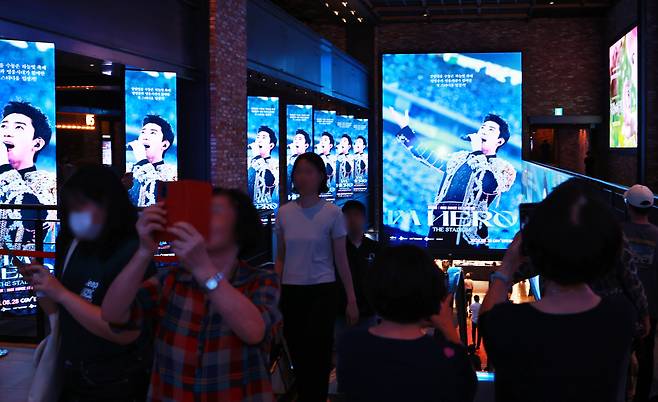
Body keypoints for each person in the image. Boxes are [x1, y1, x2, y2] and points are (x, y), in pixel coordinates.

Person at [102, 187, 281, 401]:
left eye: (213, 211)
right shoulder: (171, 280)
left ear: (239, 227)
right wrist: (144, 251)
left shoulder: (260, 280)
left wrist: (203, 269)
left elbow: (254, 332)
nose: (201, 220)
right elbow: (112, 313)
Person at [480, 179, 636, 402]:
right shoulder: (621, 316)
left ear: (535, 246)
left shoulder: (507, 323)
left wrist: (508, 263)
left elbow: (488, 316)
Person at [22, 165, 151, 402]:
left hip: (115, 380)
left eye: (82, 204)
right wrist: (44, 288)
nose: (74, 213)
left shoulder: (133, 251)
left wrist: (59, 292)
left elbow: (122, 332)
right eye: (71, 206)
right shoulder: (72, 241)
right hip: (71, 373)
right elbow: (59, 312)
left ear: (107, 203)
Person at [336, 245, 477, 402]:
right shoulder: (444, 355)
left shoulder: (350, 344)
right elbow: (467, 388)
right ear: (431, 295)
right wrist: (448, 327)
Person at [275, 152, 359, 402]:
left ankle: (316, 397)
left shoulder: (332, 213)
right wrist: (274, 295)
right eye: (299, 171)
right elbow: (280, 257)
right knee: (297, 352)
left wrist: (351, 299)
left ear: (321, 176)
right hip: (291, 291)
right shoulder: (284, 212)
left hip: (322, 290)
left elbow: (341, 259)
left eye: (309, 171)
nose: (303, 176)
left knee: (319, 353)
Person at [390, 107, 516, 251]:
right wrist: (405, 128)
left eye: (491, 129)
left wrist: (477, 152)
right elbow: (426, 155)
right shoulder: (459, 158)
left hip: (469, 233)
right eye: (483, 127)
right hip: (441, 226)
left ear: (499, 141)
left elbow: (489, 185)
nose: (484, 131)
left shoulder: (503, 168)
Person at [0, 101, 57, 249]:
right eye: (3, 126)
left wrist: (4, 167)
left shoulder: (49, 183)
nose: (6, 132)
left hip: (22, 269)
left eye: (18, 127)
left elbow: (34, 221)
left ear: (37, 144)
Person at [622, 185, 658, 402]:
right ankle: (642, 397)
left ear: (628, 205)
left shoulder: (618, 233)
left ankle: (623, 392)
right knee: (647, 356)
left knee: (622, 352)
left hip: (622, 304)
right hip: (651, 306)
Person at [336, 200, 379, 337]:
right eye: (348, 216)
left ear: (364, 219)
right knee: (341, 354)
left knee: (367, 355)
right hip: (340, 313)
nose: (352, 220)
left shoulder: (376, 248)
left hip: (369, 312)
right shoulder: (336, 248)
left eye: (356, 215)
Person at [128, 115, 178, 207]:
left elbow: (157, 196)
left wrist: (142, 161)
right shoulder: (128, 169)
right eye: (142, 132)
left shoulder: (173, 173)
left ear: (164, 145)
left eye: (152, 133)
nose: (145, 137)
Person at [248, 125, 279, 209]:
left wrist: (258, 157)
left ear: (271, 145)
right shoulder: (248, 162)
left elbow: (269, 181)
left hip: (265, 209)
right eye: (257, 137)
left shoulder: (276, 164)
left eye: (263, 137)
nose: (259, 140)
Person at [287, 129, 311, 198]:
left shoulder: (310, 161)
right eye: (295, 139)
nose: (296, 141)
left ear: (306, 146)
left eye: (300, 139)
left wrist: (294, 155)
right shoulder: (289, 160)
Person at [315, 131, 336, 196]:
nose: (322, 142)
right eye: (321, 140)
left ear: (330, 146)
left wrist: (321, 153)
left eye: (325, 140)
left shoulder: (333, 159)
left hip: (329, 194)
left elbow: (329, 170)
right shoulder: (315, 158)